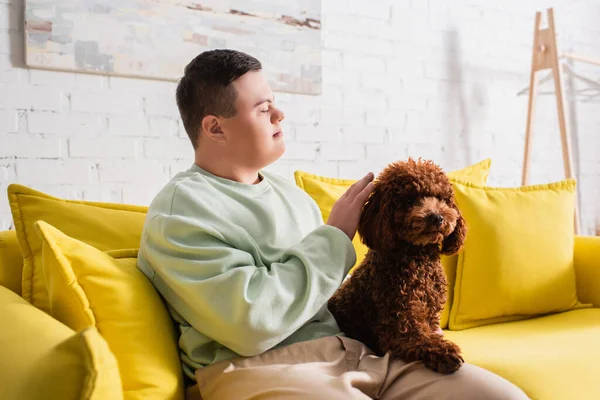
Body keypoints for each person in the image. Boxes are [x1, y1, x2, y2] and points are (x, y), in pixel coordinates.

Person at [137, 49, 529, 400]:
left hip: (353, 354)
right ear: (215, 128)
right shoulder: (181, 210)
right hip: (258, 369)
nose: (279, 115)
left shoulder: (290, 195)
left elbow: (330, 298)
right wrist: (336, 236)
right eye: (262, 108)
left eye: (274, 103)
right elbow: (251, 324)